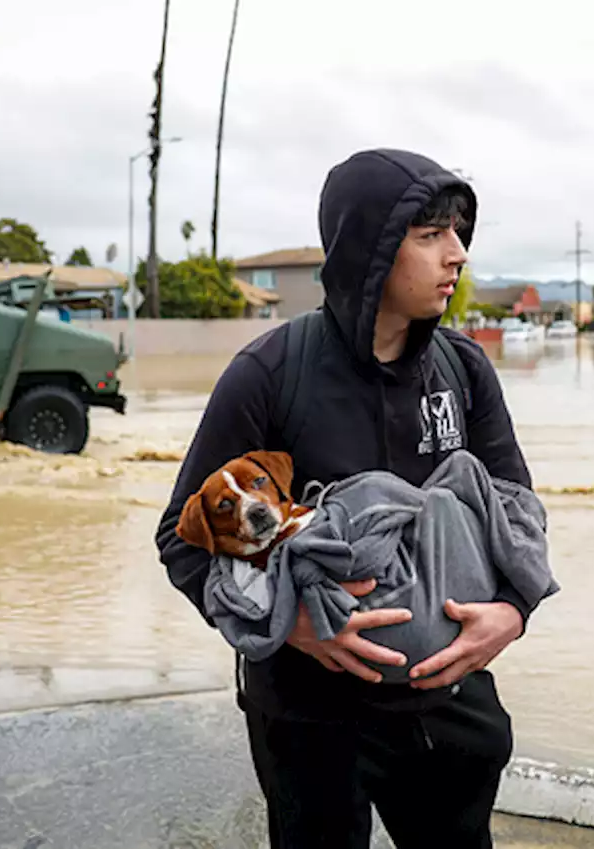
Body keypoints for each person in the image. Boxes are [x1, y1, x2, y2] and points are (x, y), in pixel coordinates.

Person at [154, 148, 553, 848]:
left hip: (446, 702)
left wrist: (514, 613)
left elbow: (517, 510)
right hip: (308, 714)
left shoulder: (465, 370)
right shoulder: (268, 374)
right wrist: (294, 626)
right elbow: (180, 539)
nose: (456, 254)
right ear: (369, 250)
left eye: (458, 233)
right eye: (430, 236)